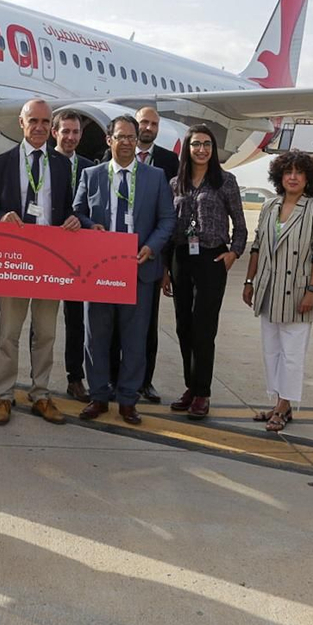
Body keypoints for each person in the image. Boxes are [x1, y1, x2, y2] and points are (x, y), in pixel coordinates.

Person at [75, 113, 177, 425]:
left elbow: (167, 220)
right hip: (101, 271)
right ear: (109, 140)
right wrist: (92, 227)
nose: (127, 143)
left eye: (131, 137)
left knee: (135, 339)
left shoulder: (155, 176)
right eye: (120, 137)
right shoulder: (91, 175)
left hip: (139, 269)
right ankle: (99, 396)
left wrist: (152, 246)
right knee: (96, 338)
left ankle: (129, 399)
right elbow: (78, 212)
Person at [0, 99, 80, 425]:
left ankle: (41, 393)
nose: (39, 127)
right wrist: (1, 216)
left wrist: (74, 220)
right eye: (33, 121)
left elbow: (68, 208)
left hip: (49, 264)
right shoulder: (3, 163)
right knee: (9, 333)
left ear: (50, 127)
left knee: (46, 333)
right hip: (14, 262)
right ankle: (4, 396)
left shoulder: (62, 165)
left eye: (44, 122)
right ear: (22, 124)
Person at [163, 123, 248, 420]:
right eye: (196, 144)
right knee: (183, 327)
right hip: (181, 257)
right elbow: (169, 226)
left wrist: (233, 253)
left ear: (213, 150)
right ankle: (190, 386)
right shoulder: (176, 183)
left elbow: (240, 223)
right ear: (187, 148)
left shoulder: (225, 181)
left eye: (207, 145)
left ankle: (203, 392)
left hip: (212, 259)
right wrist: (166, 267)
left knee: (203, 328)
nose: (202, 149)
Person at [244, 151, 313, 433]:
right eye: (287, 172)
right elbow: (257, 246)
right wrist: (249, 281)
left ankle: (284, 406)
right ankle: (278, 401)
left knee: (293, 353)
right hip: (268, 287)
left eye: (299, 172)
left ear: (309, 178)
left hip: (298, 289)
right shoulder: (270, 206)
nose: (292, 177)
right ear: (279, 176)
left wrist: (311, 290)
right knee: (271, 350)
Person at [118, 105, 181, 402]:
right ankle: (118, 379)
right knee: (117, 323)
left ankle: (145, 381)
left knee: (148, 325)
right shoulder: (114, 154)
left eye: (154, 124)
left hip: (150, 255)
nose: (148, 127)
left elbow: (170, 214)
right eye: (144, 121)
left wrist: (163, 259)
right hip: (115, 257)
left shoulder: (169, 161)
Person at [51, 110, 96, 403]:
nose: (70, 137)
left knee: (76, 318)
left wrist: (85, 222)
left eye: (75, 132)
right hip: (47, 249)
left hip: (78, 254)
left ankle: (75, 377)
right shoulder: (43, 163)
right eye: (65, 131)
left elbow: (92, 210)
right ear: (55, 132)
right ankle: (36, 379)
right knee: (41, 319)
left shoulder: (90, 168)